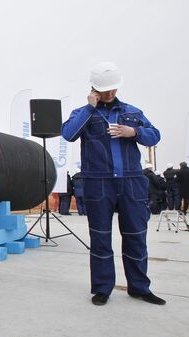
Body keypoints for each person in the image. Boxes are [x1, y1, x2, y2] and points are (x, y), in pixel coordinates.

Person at [62, 62, 165, 306]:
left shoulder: (133, 113)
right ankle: (102, 288)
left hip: (131, 182)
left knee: (136, 236)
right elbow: (68, 134)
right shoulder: (83, 113)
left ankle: (139, 287)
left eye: (113, 89)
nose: (110, 94)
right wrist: (90, 107)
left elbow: (155, 134)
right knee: (100, 237)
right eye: (105, 90)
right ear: (94, 88)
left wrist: (134, 132)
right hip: (98, 183)